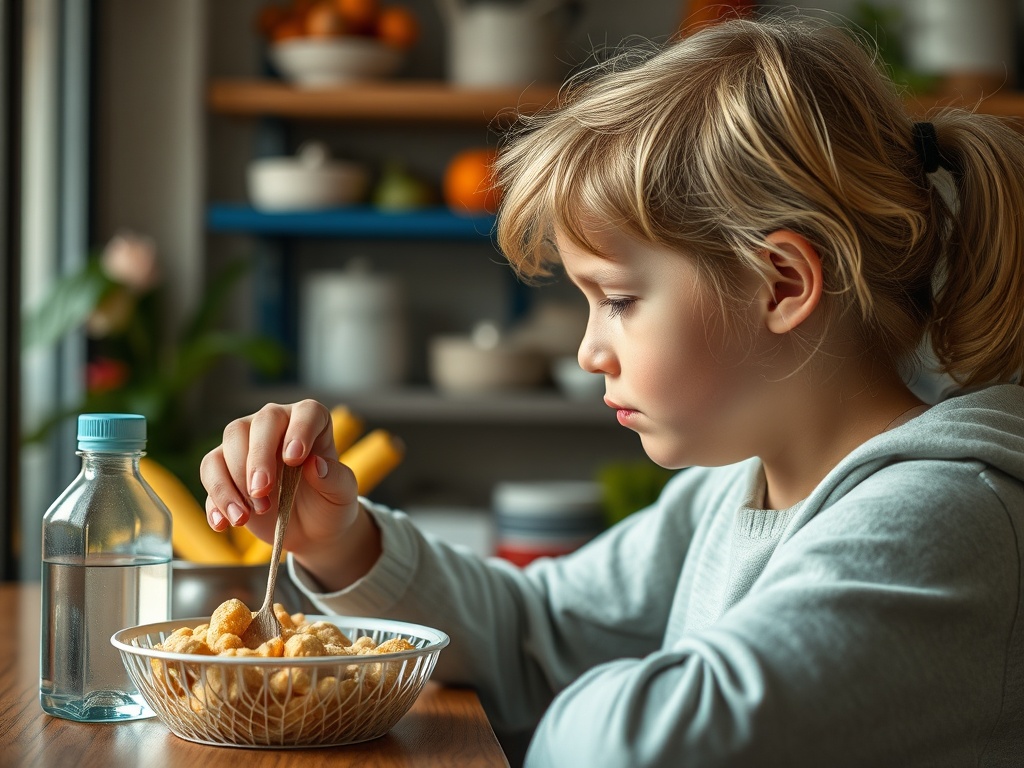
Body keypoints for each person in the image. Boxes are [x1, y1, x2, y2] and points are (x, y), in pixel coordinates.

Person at [199, 14, 1024, 767]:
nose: (592, 350)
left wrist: (597, 694)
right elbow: (537, 633)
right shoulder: (732, 488)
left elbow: (647, 747)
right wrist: (343, 542)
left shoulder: (946, 525)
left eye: (621, 300)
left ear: (780, 283)